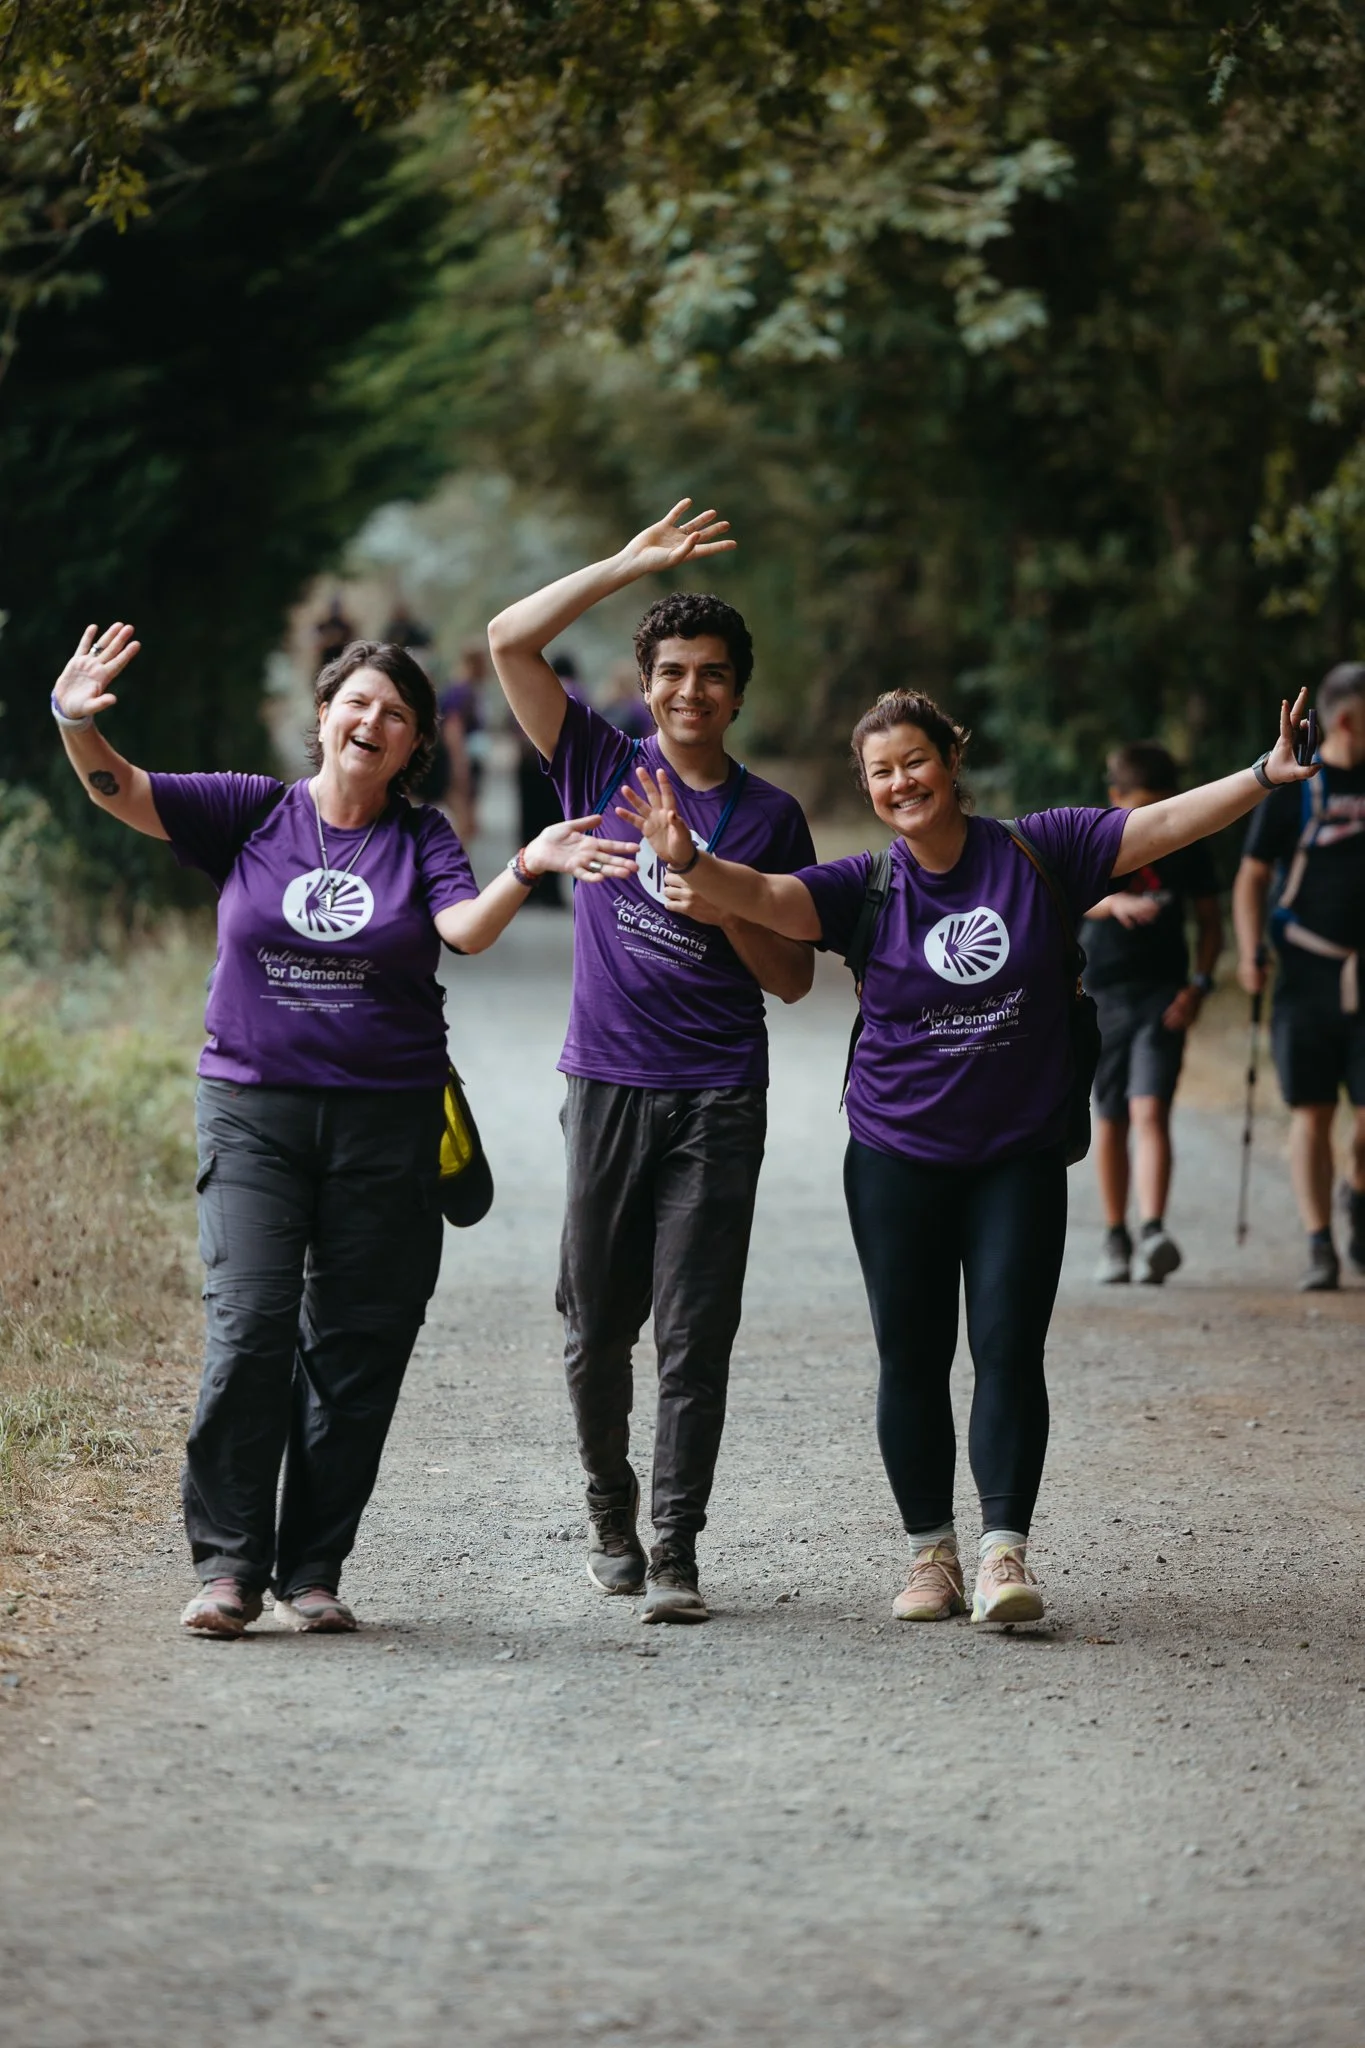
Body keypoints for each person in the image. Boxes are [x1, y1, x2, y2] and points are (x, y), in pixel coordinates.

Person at [619, 681, 1318, 1626]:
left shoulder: (1041, 850)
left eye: (914, 761)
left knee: (1006, 1348)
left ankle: (1001, 1554)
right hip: (895, 1155)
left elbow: (1159, 829)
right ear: (868, 790)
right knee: (909, 1357)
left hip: (1015, 1156)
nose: (900, 782)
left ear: (949, 761)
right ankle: (928, 1558)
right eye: (880, 773)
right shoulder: (864, 886)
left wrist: (1263, 776)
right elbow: (770, 899)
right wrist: (691, 861)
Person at [49, 623, 637, 1638]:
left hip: (388, 1122)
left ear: (414, 745)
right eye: (358, 702)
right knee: (250, 1327)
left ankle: (313, 1566)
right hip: (253, 1111)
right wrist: (73, 722)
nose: (374, 720)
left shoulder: (422, 839)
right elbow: (125, 790)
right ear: (324, 717)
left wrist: (531, 860)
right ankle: (230, 1565)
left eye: (397, 713)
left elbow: (465, 929)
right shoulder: (250, 810)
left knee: (360, 1344)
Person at [487, 501, 817, 1623]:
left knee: (694, 1329)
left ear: (739, 689)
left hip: (720, 1094)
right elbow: (507, 641)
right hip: (609, 1084)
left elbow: (793, 978)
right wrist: (625, 563)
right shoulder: (594, 759)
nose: (691, 691)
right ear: (644, 680)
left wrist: (713, 897)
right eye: (672, 671)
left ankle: (674, 1546)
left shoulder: (772, 818)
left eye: (713, 674)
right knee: (594, 1327)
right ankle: (611, 1510)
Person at [1234, 662, 1365, 1291]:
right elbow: (1253, 875)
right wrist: (1250, 949)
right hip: (1306, 976)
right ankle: (1320, 1243)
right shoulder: (1301, 784)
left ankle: (1357, 1197)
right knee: (1311, 1112)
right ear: (1346, 718)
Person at [1083, 741, 1222, 1285]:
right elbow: (1061, 895)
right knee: (1112, 1115)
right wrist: (1112, 903)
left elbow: (1211, 922)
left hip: (1164, 997)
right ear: (1115, 798)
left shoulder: (1187, 842)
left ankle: (1154, 1229)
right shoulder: (1094, 839)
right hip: (1102, 996)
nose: (1154, 818)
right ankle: (1115, 1233)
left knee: (1151, 1109)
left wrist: (1199, 987)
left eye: (1164, 804)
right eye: (1142, 806)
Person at [313, 594, 356, 669]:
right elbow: (315, 642)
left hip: (340, 659)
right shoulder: (324, 625)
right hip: (326, 660)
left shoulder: (345, 626)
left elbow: (351, 642)